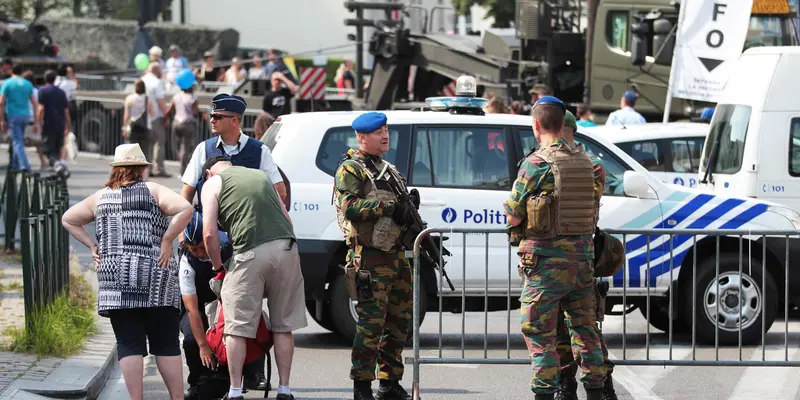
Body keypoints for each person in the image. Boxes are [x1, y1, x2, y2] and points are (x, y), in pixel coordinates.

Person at [61, 143, 193, 400]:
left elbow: (68, 218)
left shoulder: (100, 197)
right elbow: (185, 209)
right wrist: (167, 239)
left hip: (115, 278)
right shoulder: (153, 190)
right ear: (142, 168)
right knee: (165, 342)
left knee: (128, 342)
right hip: (156, 271)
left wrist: (92, 245)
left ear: (116, 169)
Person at [504, 96, 607, 400]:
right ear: (563, 124)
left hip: (545, 265)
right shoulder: (588, 163)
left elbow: (513, 213)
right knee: (585, 331)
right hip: (582, 263)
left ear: (536, 125)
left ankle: (545, 394)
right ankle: (597, 392)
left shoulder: (535, 164)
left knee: (539, 333)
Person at [200, 156, 307, 400]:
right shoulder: (262, 176)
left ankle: (236, 390)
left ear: (209, 172)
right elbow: (287, 219)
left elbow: (208, 234)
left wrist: (218, 266)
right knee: (283, 325)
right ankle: (285, 389)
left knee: (236, 327)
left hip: (249, 253)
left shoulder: (213, 184)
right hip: (287, 249)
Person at [333, 112, 416, 400]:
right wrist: (388, 208)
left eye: (386, 130)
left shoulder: (389, 170)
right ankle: (362, 386)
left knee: (399, 323)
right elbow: (350, 207)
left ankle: (389, 382)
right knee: (370, 326)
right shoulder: (351, 169)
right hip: (369, 258)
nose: (385, 135)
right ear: (361, 137)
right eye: (378, 131)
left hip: (396, 258)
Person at [553, 111, 617, 400]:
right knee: (558, 328)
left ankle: (602, 385)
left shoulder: (592, 167)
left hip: (578, 256)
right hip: (553, 257)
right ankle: (566, 382)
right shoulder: (544, 161)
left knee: (584, 328)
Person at [180, 93, 286, 209]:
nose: (211, 120)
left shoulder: (260, 151)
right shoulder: (203, 148)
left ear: (234, 121)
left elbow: (280, 192)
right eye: (211, 116)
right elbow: (187, 192)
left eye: (217, 117)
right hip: (208, 224)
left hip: (245, 225)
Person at [178, 210, 235, 400]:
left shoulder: (227, 248)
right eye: (194, 250)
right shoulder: (187, 260)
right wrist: (203, 345)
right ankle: (197, 382)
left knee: (237, 334)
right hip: (198, 305)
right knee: (192, 340)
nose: (200, 254)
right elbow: (192, 308)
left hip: (225, 302)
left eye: (203, 248)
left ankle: (238, 380)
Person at [0, 63, 38, 171]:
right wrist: (36, 121)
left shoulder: (7, 83)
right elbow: (34, 103)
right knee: (19, 140)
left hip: (13, 115)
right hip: (25, 116)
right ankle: (15, 165)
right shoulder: (28, 84)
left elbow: (1, 102)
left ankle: (25, 165)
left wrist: (2, 119)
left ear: (12, 70)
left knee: (17, 141)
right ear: (22, 72)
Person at [36, 69, 71, 173]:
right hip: (60, 123)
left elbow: (41, 108)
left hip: (48, 123)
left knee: (47, 147)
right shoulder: (61, 92)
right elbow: (66, 111)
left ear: (45, 78)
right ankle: (58, 165)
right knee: (58, 145)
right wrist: (68, 125)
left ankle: (54, 164)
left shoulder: (42, 90)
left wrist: (38, 122)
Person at [142, 62, 170, 177]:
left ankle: (147, 169)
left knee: (146, 144)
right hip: (155, 116)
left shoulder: (142, 80)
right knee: (159, 142)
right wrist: (166, 115)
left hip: (143, 116)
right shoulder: (157, 82)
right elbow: (160, 100)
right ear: (157, 71)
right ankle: (158, 169)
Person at [166, 83, 199, 175]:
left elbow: (169, 109)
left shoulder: (176, 96)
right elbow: (195, 112)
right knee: (186, 147)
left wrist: (166, 118)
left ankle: (181, 166)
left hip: (176, 123)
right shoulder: (193, 98)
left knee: (179, 145)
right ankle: (183, 171)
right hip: (188, 123)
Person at [122, 80, 155, 165]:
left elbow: (126, 116)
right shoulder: (148, 99)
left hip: (133, 126)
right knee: (145, 152)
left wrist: (124, 128)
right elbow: (153, 113)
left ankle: (133, 172)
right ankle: (144, 174)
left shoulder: (129, 98)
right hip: (145, 127)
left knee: (132, 151)